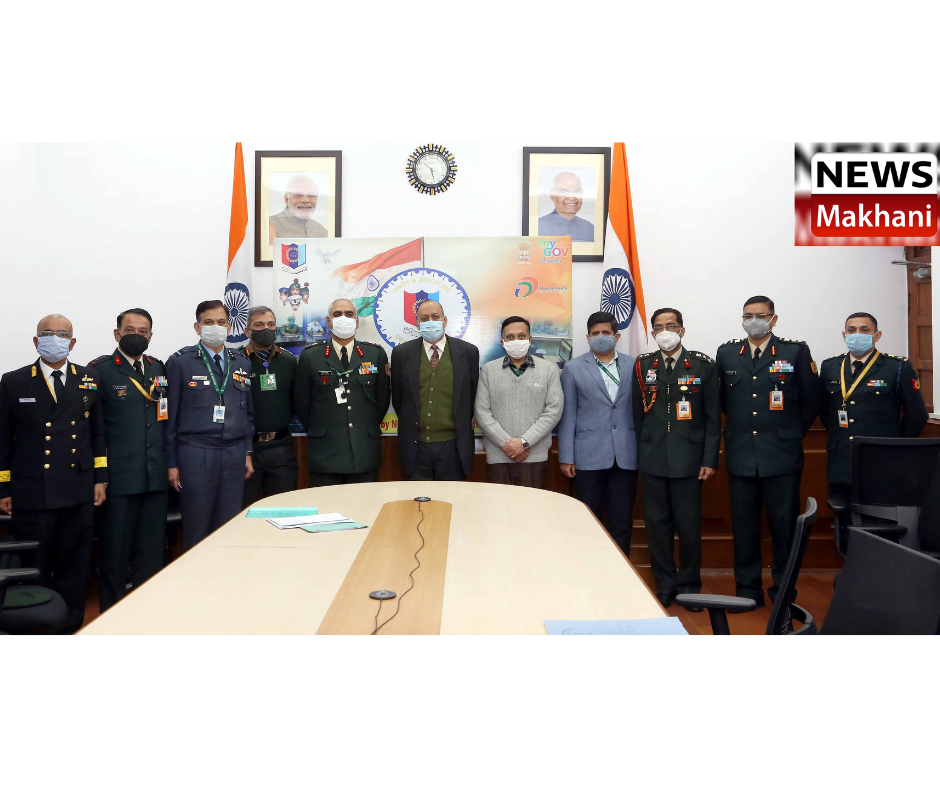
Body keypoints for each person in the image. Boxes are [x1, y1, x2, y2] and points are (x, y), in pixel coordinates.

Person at [0, 314, 107, 632]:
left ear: (72, 343)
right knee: (36, 565)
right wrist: (3, 488)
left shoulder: (89, 378)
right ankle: (36, 630)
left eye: (62, 334)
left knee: (75, 566)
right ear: (36, 341)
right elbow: (3, 440)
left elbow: (97, 433)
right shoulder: (14, 381)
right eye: (47, 333)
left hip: (78, 488)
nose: (55, 339)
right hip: (32, 491)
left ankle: (70, 627)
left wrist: (101, 479)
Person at [716, 295, 820, 606]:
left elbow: (812, 399)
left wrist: (789, 432)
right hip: (741, 453)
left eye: (760, 315)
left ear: (774, 319)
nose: (754, 321)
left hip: (782, 454)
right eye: (748, 315)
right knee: (744, 528)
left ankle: (783, 592)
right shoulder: (727, 353)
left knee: (784, 528)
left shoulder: (795, 351)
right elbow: (724, 400)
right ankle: (747, 591)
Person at [632, 308, 719, 607]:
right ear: (653, 333)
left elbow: (712, 418)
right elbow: (638, 416)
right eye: (658, 327)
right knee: (657, 528)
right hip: (653, 457)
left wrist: (709, 459)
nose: (665, 331)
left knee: (689, 527)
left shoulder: (702, 365)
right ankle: (665, 585)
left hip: (689, 459)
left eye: (671, 325)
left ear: (682, 330)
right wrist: (641, 454)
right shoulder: (643, 365)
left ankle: (690, 586)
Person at [87, 308, 168, 612]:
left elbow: (162, 416)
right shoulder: (100, 370)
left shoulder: (158, 367)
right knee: (115, 556)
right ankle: (111, 616)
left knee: (152, 555)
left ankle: (146, 614)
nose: (137, 335)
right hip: (119, 479)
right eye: (130, 330)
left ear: (150, 335)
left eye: (143, 331)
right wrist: (100, 476)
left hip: (155, 476)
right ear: (117, 334)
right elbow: (93, 429)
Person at [164, 300, 254, 551]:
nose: (216, 327)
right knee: (197, 526)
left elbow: (248, 413)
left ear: (229, 326)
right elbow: (169, 418)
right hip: (196, 452)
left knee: (229, 526)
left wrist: (247, 452)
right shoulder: (180, 362)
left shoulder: (242, 361)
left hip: (234, 452)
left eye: (221, 322)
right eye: (209, 322)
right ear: (197, 327)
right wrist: (172, 463)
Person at [819, 311, 928, 504]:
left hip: (883, 461)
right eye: (851, 330)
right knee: (843, 515)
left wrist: (893, 442)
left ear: (877, 336)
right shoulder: (830, 366)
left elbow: (917, 415)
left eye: (864, 330)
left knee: (880, 515)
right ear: (844, 335)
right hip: (841, 461)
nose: (857, 335)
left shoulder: (897, 367)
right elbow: (825, 411)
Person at [557, 311, 638, 555]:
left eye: (606, 332)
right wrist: (566, 456)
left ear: (617, 336)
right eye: (595, 333)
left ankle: (621, 568)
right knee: (588, 519)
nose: (600, 336)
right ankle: (590, 567)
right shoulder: (573, 368)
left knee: (622, 520)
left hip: (626, 455)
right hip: (587, 456)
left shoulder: (635, 365)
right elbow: (568, 415)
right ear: (588, 337)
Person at [294, 298, 390, 486]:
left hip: (363, 451)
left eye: (349, 314)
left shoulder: (375, 354)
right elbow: (302, 403)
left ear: (357, 321)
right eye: (337, 314)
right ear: (328, 322)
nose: (343, 318)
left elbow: (382, 399)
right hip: (325, 453)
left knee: (364, 504)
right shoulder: (310, 355)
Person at [391, 299, 479, 481]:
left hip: (454, 448)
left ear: (444, 320)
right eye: (424, 318)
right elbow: (399, 399)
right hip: (415, 448)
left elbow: (471, 398)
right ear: (417, 324)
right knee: (417, 498)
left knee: (452, 497)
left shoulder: (468, 352)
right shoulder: (401, 354)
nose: (430, 321)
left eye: (435, 317)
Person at [474, 315, 563, 488]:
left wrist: (524, 442)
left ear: (530, 339)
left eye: (521, 336)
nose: (516, 340)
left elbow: (554, 410)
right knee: (499, 503)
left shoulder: (548, 370)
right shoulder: (489, 371)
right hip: (499, 456)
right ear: (502, 342)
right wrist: (507, 444)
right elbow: (481, 411)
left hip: (534, 456)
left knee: (533, 504)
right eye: (510, 337)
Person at [241, 306, 298, 507]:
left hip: (281, 448)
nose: (266, 329)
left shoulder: (289, 360)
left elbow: (298, 401)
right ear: (247, 331)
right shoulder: (236, 361)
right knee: (243, 512)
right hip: (246, 451)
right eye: (259, 325)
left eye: (271, 324)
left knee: (284, 510)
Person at [537, 171, 595, 241]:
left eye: (577, 192)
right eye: (564, 192)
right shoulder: (537, 228)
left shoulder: (590, 229)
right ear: (553, 196)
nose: (572, 198)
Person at [269, 174, 327, 241]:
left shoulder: (322, 231)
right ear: (286, 199)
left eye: (311, 195)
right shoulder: (271, 226)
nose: (305, 200)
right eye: (298, 195)